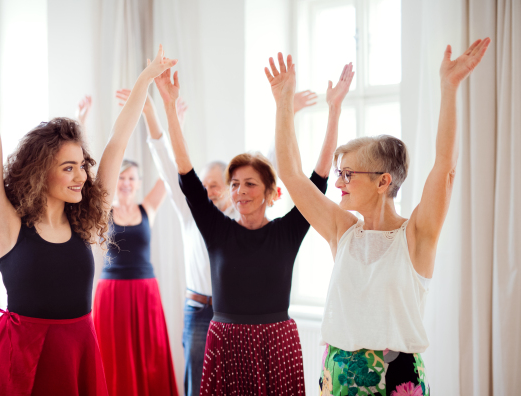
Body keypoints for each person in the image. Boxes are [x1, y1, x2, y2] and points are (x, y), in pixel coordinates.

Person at [0, 15, 176, 395]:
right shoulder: (5, 225)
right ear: (42, 173)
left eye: (82, 167)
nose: (81, 177)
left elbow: (117, 142)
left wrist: (145, 79)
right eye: (68, 168)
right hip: (23, 358)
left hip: (79, 352)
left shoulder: (83, 223)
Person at [271, 39, 490, 396]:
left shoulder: (417, 234)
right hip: (339, 371)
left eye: (347, 174)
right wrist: (283, 102)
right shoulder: (341, 229)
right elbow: (292, 175)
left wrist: (449, 89)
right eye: (339, 173)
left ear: (382, 182)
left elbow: (445, 169)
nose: (338, 182)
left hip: (397, 375)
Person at [154, 60, 353, 395]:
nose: (240, 191)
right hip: (226, 343)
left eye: (249, 184)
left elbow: (318, 179)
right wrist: (170, 107)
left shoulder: (286, 232)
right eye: (235, 184)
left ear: (271, 193)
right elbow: (186, 175)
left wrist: (333, 110)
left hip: (276, 344)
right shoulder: (218, 230)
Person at [117, 86, 319, 395]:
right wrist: (158, 115)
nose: (210, 190)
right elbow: (176, 171)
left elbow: (265, 165)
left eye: (216, 185)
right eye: (206, 184)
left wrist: (287, 111)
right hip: (201, 312)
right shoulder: (193, 213)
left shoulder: (236, 218)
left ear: (228, 190)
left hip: (243, 318)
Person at [93, 158, 178, 396]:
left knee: (153, 354)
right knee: (114, 355)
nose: (126, 183)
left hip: (145, 292)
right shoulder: (102, 211)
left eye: (131, 178)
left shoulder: (147, 208)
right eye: (121, 177)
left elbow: (166, 176)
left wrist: (174, 130)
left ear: (139, 183)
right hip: (111, 294)